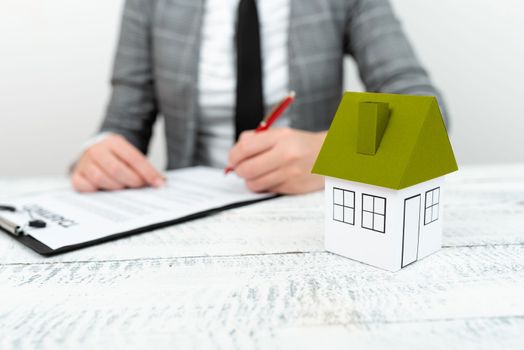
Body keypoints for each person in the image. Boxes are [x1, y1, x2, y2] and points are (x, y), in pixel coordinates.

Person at [71, 0, 447, 195]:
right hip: (188, 213)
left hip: (308, 212)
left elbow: (427, 112)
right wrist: (100, 156)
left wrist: (336, 155)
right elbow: (121, 126)